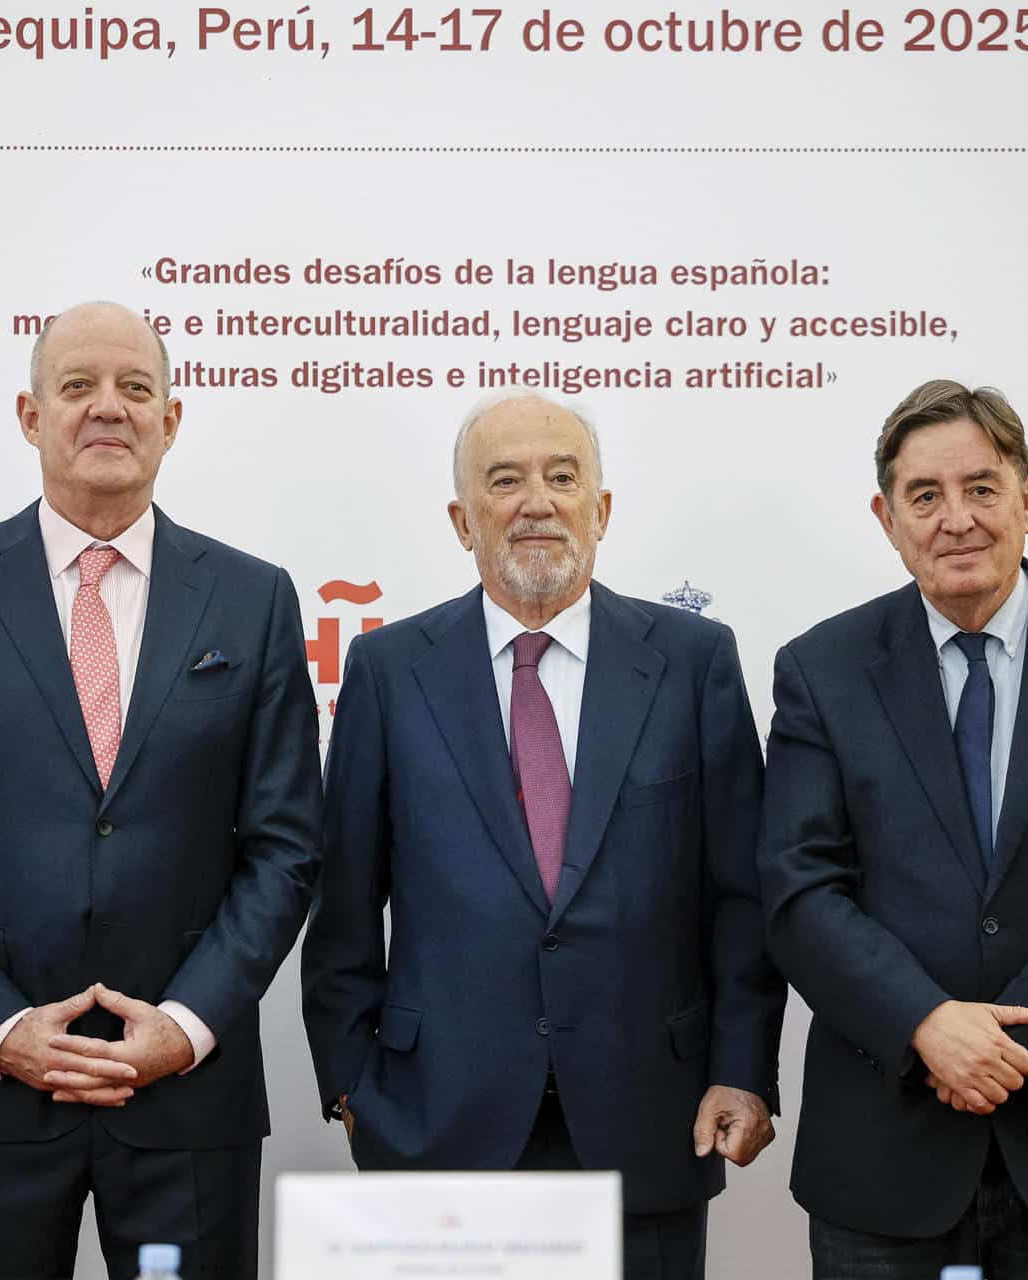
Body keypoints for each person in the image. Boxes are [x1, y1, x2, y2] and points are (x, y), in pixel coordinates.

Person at [0, 301, 322, 1279]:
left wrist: (189, 1022)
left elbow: (285, 844)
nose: (107, 408)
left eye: (135, 387)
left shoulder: (254, 597)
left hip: (184, 1094)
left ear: (174, 416)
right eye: (77, 386)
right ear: (30, 416)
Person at [300, 389, 785, 1280]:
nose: (537, 502)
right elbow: (343, 907)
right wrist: (351, 1087)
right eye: (505, 480)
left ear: (601, 510)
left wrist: (744, 1067)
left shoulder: (693, 662)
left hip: (649, 1115)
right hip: (435, 1121)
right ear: (461, 519)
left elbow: (742, 898)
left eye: (564, 478)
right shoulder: (385, 671)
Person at [757, 380, 1028, 1278]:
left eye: (981, 488)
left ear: (1027, 499)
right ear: (888, 519)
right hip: (886, 1147)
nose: (956, 519)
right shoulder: (821, 670)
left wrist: (1003, 1045)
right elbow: (798, 887)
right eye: (925, 497)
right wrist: (924, 1023)